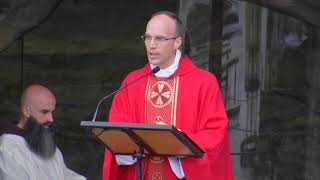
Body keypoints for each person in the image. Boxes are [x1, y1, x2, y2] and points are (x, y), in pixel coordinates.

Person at [102, 11, 233, 180]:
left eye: (160, 39)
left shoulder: (204, 82)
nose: (151, 45)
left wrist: (177, 145)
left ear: (177, 42)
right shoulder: (132, 82)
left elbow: (216, 133)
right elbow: (116, 130)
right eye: (148, 38)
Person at [0, 84, 86, 180]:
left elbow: (64, 174)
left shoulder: (42, 141)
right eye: (44, 112)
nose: (51, 119)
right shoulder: (7, 149)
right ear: (26, 111)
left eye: (52, 112)